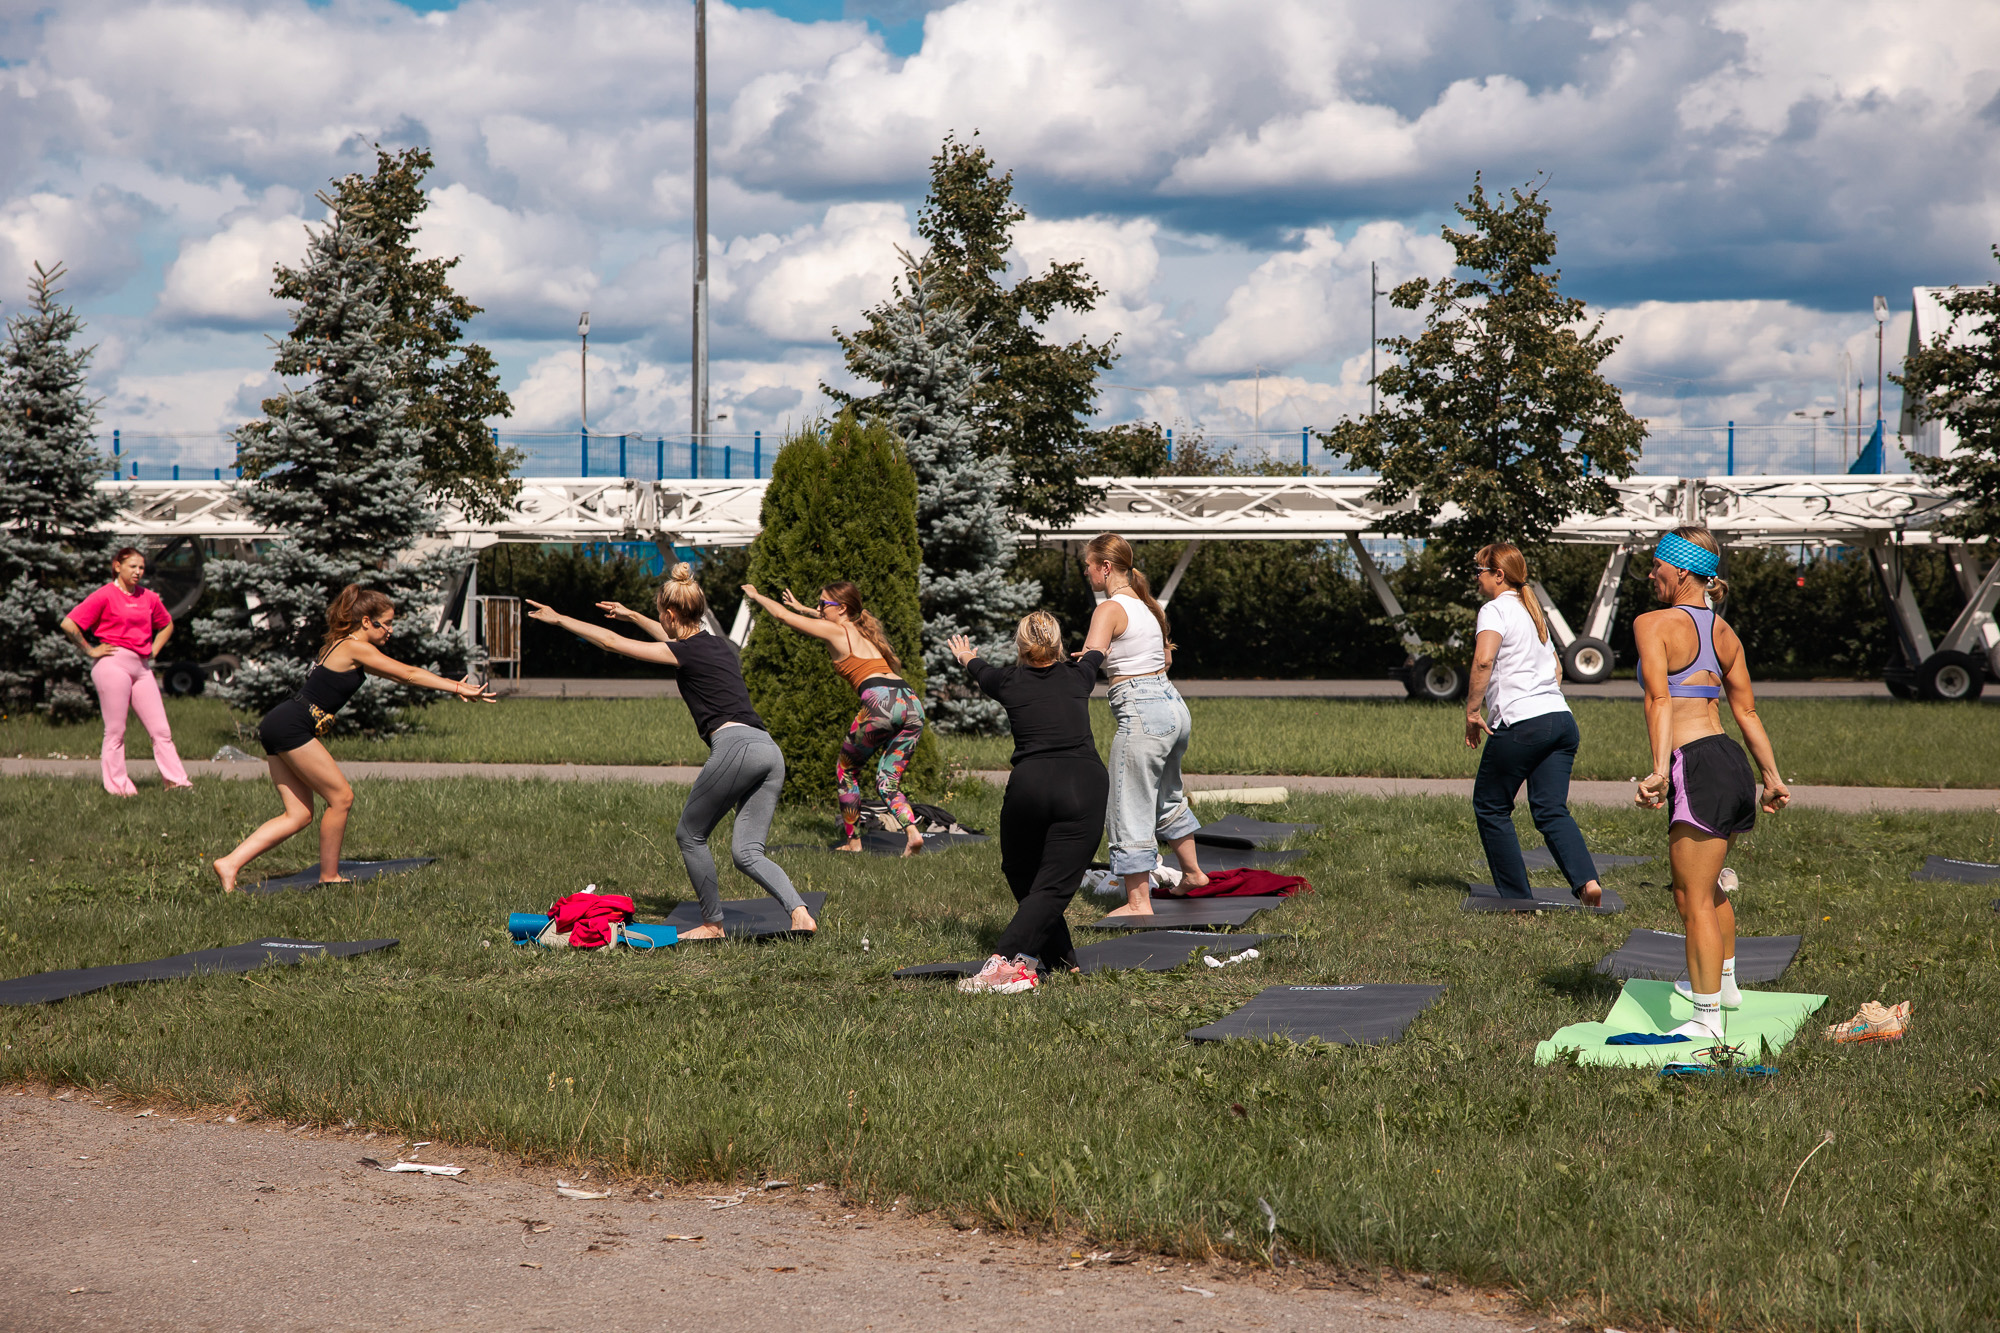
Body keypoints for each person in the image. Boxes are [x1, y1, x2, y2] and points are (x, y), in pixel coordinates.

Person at [532, 565, 815, 939]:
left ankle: (713, 924)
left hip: (736, 748)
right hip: (768, 750)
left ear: (671, 614)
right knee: (748, 852)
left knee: (690, 835)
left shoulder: (688, 653)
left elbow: (613, 643)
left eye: (662, 615)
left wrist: (561, 619)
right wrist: (633, 615)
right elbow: (676, 641)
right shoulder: (720, 645)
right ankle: (800, 914)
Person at [211, 586, 494, 892]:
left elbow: (399, 674)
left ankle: (230, 863)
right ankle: (329, 875)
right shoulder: (355, 648)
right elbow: (407, 674)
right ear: (366, 622)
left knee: (299, 814)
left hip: (282, 722)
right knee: (341, 797)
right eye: (386, 623)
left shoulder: (341, 644)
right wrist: (457, 687)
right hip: (292, 725)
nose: (391, 630)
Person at [1633, 527, 1790, 1041]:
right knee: (1701, 889)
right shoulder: (1726, 633)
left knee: (1694, 896)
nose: (1651, 573)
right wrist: (1770, 777)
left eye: (1657, 565)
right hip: (1729, 761)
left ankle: (1705, 1020)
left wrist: (1658, 771)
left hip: (1693, 762)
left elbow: (1659, 701)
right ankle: (1724, 986)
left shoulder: (1652, 623)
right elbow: (1745, 709)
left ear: (1681, 570)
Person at [948, 613, 1108, 994]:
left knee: (1022, 870)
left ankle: (1034, 960)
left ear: (1020, 648)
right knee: (1052, 886)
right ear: (1057, 646)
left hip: (1030, 787)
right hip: (1082, 786)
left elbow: (979, 669)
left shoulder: (1007, 681)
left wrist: (965, 655)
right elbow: (1098, 650)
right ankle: (1028, 959)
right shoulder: (1079, 675)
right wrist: (1092, 650)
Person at [1464, 543, 1606, 906]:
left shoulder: (1494, 610)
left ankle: (1516, 899)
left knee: (1491, 805)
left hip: (1522, 723)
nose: (1476, 576)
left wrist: (1472, 713)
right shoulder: (1533, 611)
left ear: (1498, 575)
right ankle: (1587, 881)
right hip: (1560, 719)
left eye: (1479, 570)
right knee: (1549, 807)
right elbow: (1556, 669)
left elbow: (1483, 662)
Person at [739, 580, 926, 856]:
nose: (819, 608)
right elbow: (823, 618)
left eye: (823, 604)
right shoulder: (861, 630)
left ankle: (853, 842)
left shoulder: (837, 631)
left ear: (841, 608)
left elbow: (782, 616)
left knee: (847, 771)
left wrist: (757, 596)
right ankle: (912, 833)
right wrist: (806, 608)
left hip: (880, 701)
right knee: (888, 778)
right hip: (910, 701)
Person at [1079, 533, 1206, 916]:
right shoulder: (1147, 607)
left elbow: (1090, 663)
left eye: (1089, 565)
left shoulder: (1109, 609)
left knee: (1127, 805)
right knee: (1166, 795)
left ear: (1105, 567)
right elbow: (1164, 661)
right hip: (1172, 707)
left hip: (1143, 712)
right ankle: (1194, 874)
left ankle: (1137, 902)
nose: (1086, 571)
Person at [61, 547, 191, 796]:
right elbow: (69, 624)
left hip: (141, 667)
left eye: (141, 567)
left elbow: (166, 625)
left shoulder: (148, 597)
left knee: (161, 730)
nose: (138, 572)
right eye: (132, 566)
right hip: (112, 664)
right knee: (116, 731)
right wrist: (90, 650)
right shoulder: (105, 595)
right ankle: (119, 787)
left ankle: (177, 783)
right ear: (117, 566)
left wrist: (154, 650)